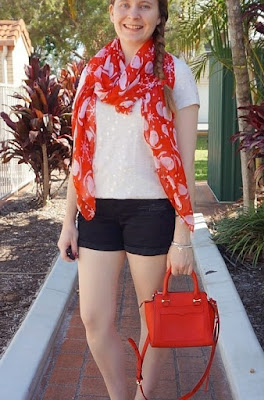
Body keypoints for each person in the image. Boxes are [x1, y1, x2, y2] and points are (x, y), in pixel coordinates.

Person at [57, 0, 199, 398]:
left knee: (152, 319)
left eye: (145, 5)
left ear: (159, 15)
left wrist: (182, 236)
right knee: (93, 318)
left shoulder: (175, 74)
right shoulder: (93, 71)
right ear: (111, 11)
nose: (133, 14)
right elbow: (82, 154)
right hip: (96, 209)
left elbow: (186, 167)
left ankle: (143, 397)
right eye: (125, 4)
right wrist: (69, 221)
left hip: (152, 210)